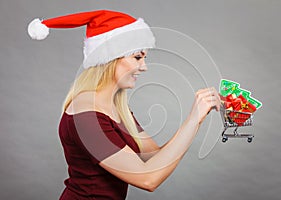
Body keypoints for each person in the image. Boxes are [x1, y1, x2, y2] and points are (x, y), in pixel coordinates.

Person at [28, 10, 221, 200]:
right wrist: (193, 119)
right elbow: (148, 179)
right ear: (110, 58)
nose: (144, 66)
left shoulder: (115, 108)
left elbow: (154, 158)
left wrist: (198, 117)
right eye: (137, 57)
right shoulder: (86, 117)